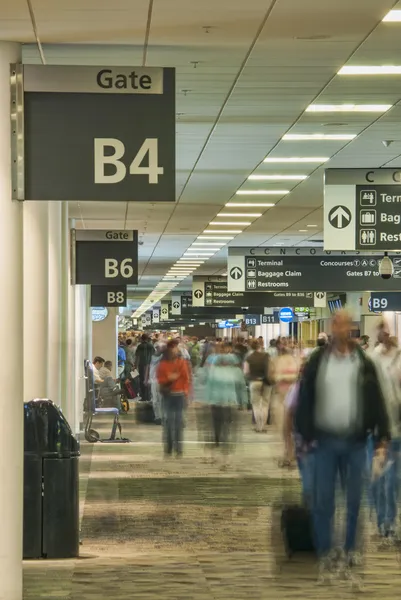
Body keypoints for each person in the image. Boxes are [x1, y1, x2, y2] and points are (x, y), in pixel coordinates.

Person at [295, 310, 390, 582]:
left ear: (350, 328)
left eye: (344, 323)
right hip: (323, 441)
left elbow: (375, 397)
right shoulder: (317, 361)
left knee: (354, 501)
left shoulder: (363, 362)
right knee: (323, 500)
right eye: (335, 323)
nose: (339, 328)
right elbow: (305, 397)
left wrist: (382, 434)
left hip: (356, 441)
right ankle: (326, 551)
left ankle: (350, 549)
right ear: (331, 327)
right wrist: (302, 434)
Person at [370, 322, 401, 540]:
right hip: (378, 429)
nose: (385, 333)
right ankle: (382, 520)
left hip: (398, 427)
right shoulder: (372, 359)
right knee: (379, 477)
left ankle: (390, 522)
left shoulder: (400, 357)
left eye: (387, 329)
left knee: (394, 478)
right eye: (381, 329)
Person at [205, 343, 248, 469]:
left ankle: (225, 457)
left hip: (228, 404)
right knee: (217, 431)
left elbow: (241, 387)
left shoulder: (235, 372)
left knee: (226, 431)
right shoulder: (218, 370)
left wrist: (244, 402)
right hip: (217, 404)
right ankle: (216, 454)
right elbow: (209, 386)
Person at [157, 339, 190, 458]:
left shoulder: (182, 362)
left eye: (177, 348)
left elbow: (186, 379)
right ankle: (168, 449)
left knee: (178, 423)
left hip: (179, 395)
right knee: (168, 422)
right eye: (174, 348)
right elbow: (160, 379)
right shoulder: (163, 364)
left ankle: (179, 449)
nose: (176, 350)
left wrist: (186, 393)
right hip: (168, 395)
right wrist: (169, 379)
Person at [244, 341, 271, 433]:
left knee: (255, 405)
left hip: (254, 382)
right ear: (259, 346)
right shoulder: (266, 356)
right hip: (266, 382)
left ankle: (258, 427)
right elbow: (270, 368)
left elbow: (246, 372)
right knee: (265, 405)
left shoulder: (249, 357)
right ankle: (263, 426)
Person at [134, 334, 155, 401]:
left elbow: (137, 357)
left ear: (142, 338)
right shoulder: (151, 346)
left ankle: (143, 397)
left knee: (142, 380)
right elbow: (154, 356)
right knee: (149, 380)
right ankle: (148, 396)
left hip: (142, 365)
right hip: (150, 366)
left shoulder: (140, 346)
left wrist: (135, 365)